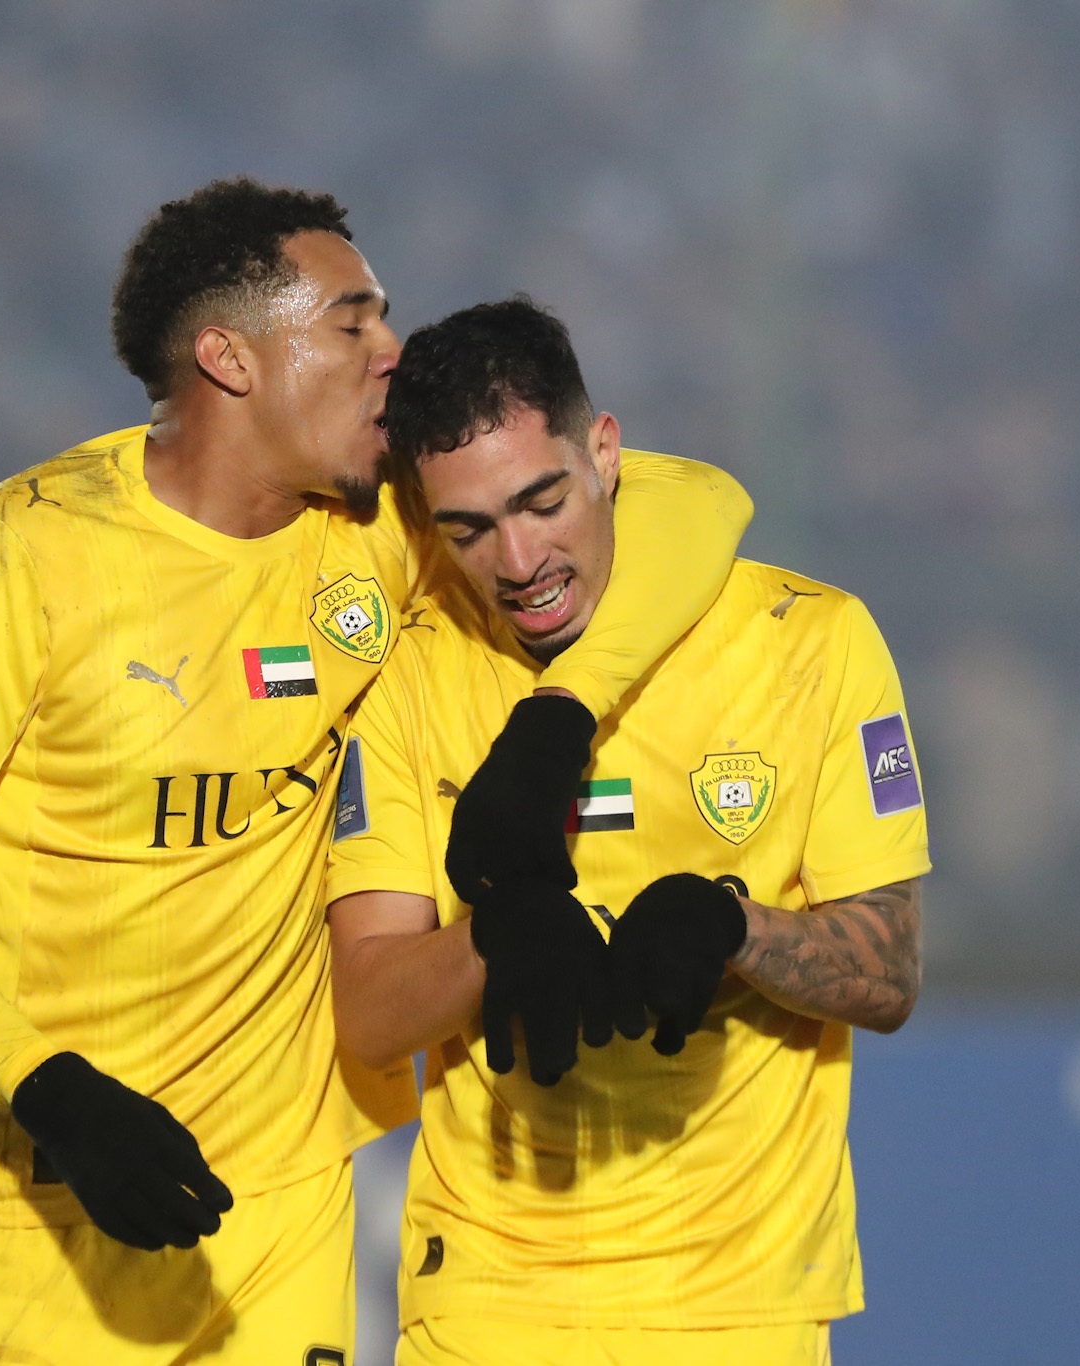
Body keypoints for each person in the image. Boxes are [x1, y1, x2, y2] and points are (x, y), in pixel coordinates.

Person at [0, 180, 753, 1364]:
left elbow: (695, 499)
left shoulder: (381, 529)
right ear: (230, 359)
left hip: (283, 1213)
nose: (391, 351)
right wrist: (48, 1087)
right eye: (353, 321)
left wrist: (557, 720)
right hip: (46, 1194)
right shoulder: (16, 552)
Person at [324, 297, 930, 1366]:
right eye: (468, 528)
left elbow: (888, 975)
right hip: (487, 1296)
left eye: (542, 501)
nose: (519, 559)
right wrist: (494, 944)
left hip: (743, 1303)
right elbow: (369, 1016)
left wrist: (732, 931)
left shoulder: (812, 641)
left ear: (604, 453)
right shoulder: (409, 675)